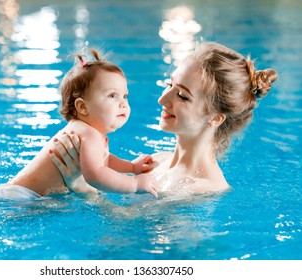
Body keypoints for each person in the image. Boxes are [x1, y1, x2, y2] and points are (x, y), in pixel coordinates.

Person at [49, 42, 278, 196]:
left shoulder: (202, 188)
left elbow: (131, 238)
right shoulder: (154, 161)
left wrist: (82, 189)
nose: (162, 99)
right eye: (170, 85)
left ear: (216, 118)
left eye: (182, 95)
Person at [0, 49, 158, 199]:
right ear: (82, 107)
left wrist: (131, 166)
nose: (123, 104)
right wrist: (134, 183)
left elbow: (103, 160)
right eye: (112, 95)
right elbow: (96, 174)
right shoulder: (89, 134)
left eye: (125, 96)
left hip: (16, 192)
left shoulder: (87, 132)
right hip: (21, 197)